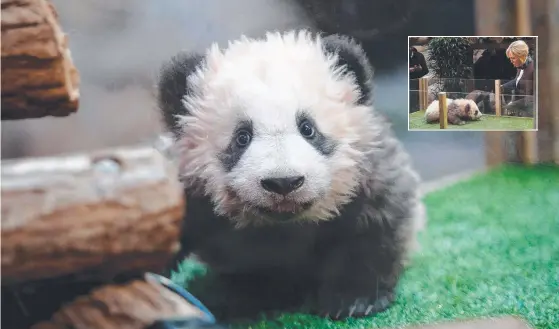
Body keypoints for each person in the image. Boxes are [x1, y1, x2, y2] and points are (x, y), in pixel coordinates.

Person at [500, 40, 535, 117]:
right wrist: (502, 87)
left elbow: (536, 97)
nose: (511, 61)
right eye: (510, 58)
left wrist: (513, 104)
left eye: (513, 58)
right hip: (522, 108)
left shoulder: (534, 69)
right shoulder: (520, 67)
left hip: (531, 111)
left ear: (522, 56)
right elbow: (517, 80)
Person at [409, 46, 429, 112]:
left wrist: (416, 71)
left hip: (414, 82)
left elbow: (425, 70)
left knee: (413, 100)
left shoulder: (419, 56)